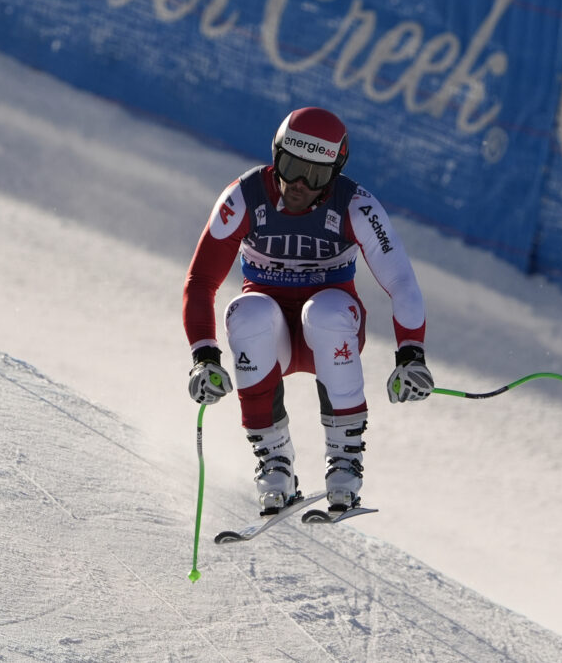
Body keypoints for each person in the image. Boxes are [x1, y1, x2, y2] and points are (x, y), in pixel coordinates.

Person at [183, 106, 433, 516]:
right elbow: (200, 282)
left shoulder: (356, 206)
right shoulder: (244, 196)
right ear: (275, 155)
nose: (298, 184)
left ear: (334, 174)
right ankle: (274, 461)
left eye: (315, 175)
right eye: (290, 166)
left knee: (327, 310)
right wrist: (203, 357)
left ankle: (345, 462)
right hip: (269, 334)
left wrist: (411, 355)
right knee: (245, 313)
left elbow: (401, 280)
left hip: (331, 329)